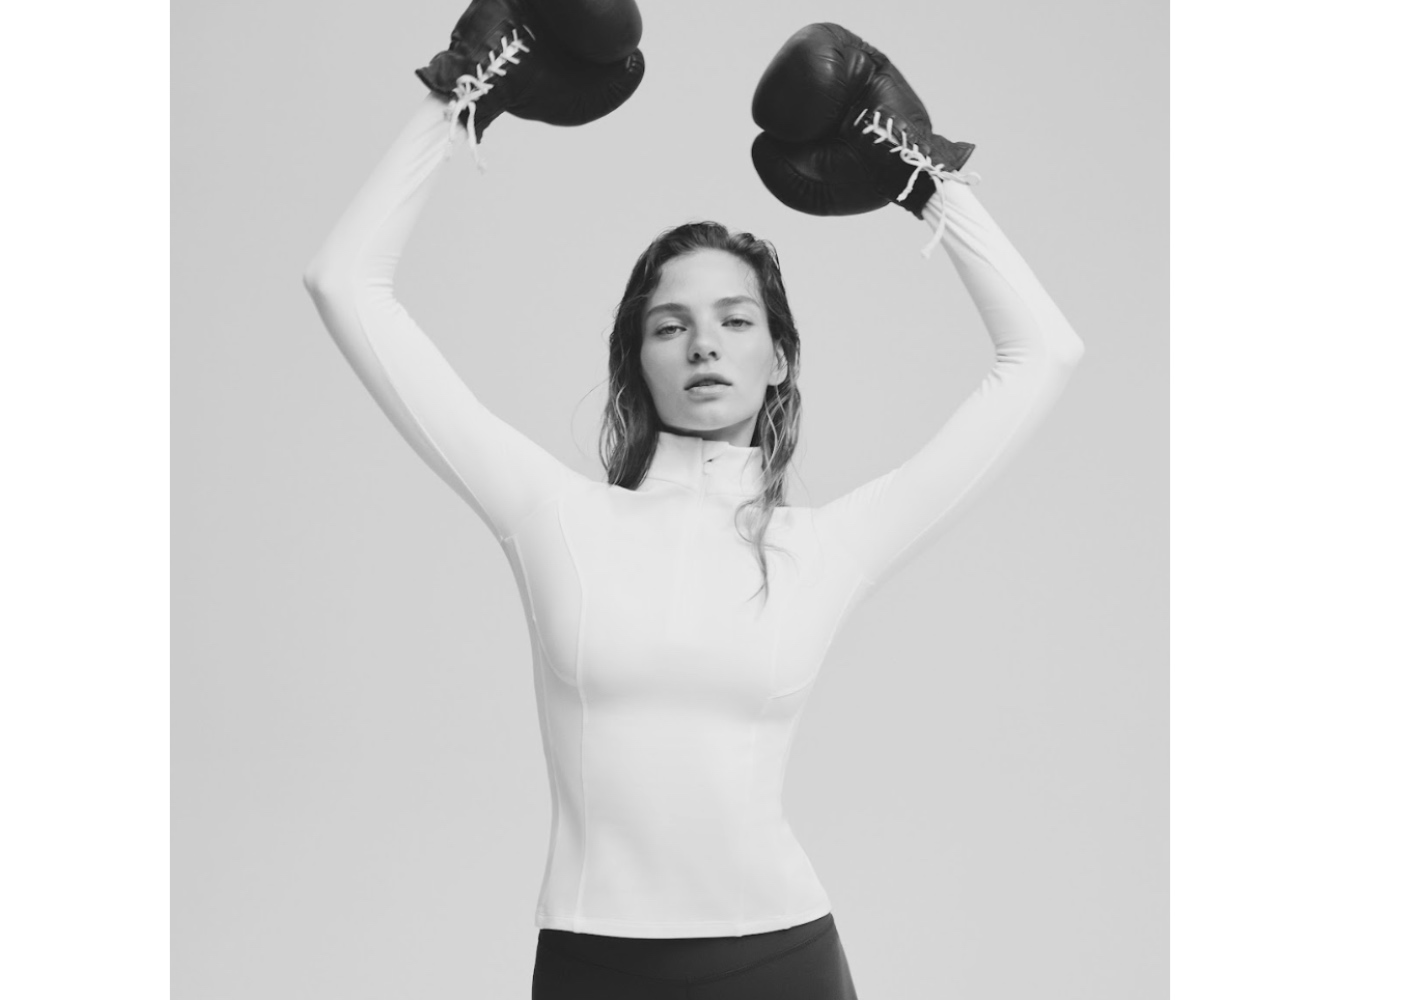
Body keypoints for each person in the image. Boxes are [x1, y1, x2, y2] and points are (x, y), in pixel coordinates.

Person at [302, 3, 1085, 996]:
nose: (704, 343)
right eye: (670, 325)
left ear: (779, 357)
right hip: (592, 961)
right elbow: (345, 283)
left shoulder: (829, 547)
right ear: (637, 358)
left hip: (785, 959)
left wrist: (925, 181)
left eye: (735, 320)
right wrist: (465, 95)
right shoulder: (553, 516)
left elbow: (1045, 352)